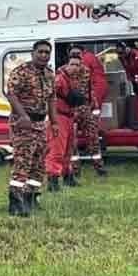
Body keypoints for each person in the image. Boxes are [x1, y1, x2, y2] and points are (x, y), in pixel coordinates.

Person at [6, 40, 57, 216]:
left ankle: (31, 197)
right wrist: (23, 116)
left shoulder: (49, 74)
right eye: (40, 52)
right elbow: (11, 94)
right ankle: (15, 202)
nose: (44, 55)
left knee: (39, 163)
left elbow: (52, 99)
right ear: (33, 53)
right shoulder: (21, 71)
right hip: (23, 124)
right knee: (23, 162)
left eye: (47, 52)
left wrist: (54, 122)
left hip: (41, 124)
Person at [46, 53, 85, 191]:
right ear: (67, 65)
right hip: (59, 116)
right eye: (72, 64)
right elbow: (49, 95)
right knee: (57, 150)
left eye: (77, 65)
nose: (75, 67)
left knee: (68, 150)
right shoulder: (59, 79)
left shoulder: (75, 79)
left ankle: (67, 176)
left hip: (69, 117)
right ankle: (53, 181)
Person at [74, 46, 108, 177]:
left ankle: (99, 167)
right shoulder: (63, 74)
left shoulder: (85, 72)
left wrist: (95, 109)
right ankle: (75, 170)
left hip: (85, 111)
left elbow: (91, 91)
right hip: (72, 112)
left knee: (93, 140)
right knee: (72, 143)